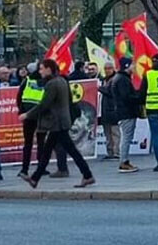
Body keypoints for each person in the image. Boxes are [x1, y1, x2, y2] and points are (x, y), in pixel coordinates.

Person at [20, 59, 95, 188]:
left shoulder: (52, 84)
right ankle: (35, 178)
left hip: (57, 123)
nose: (40, 71)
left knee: (67, 150)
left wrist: (27, 114)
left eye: (42, 68)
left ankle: (87, 175)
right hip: (60, 121)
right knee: (50, 150)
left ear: (49, 69)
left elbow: (44, 104)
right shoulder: (62, 81)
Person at [109, 57, 140, 173]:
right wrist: (139, 97)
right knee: (126, 137)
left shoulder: (120, 78)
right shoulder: (122, 80)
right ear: (127, 66)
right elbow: (126, 97)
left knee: (126, 137)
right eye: (132, 65)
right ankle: (123, 162)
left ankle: (125, 160)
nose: (134, 67)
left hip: (124, 111)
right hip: (126, 112)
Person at [16, 62, 46, 179]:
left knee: (28, 143)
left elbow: (19, 97)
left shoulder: (27, 80)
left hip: (27, 116)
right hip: (40, 115)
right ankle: (41, 167)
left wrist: (21, 111)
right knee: (41, 142)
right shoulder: (45, 82)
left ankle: (24, 169)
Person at [96, 62, 121, 161]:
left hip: (113, 110)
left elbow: (111, 92)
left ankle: (116, 152)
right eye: (106, 68)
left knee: (115, 133)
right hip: (104, 111)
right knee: (107, 134)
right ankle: (109, 152)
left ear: (113, 69)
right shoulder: (103, 80)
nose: (107, 70)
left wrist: (100, 88)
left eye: (109, 68)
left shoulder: (116, 79)